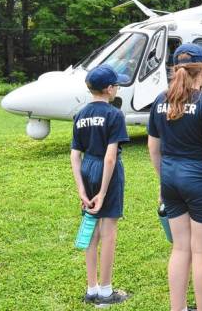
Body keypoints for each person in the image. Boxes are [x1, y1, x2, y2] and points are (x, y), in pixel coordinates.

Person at [147, 43, 202, 311]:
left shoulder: (160, 101)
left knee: (180, 249)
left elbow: (153, 147)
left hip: (171, 179)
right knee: (201, 252)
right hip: (201, 183)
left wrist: (163, 179)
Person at [70, 64, 130, 305]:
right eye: (116, 85)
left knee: (91, 228)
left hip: (87, 169)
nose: (117, 88)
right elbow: (110, 157)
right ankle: (105, 291)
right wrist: (104, 192)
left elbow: (75, 155)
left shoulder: (80, 114)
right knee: (108, 232)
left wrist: (82, 190)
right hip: (108, 172)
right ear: (108, 89)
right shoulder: (115, 115)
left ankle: (91, 287)